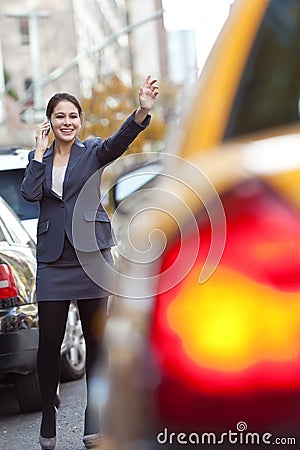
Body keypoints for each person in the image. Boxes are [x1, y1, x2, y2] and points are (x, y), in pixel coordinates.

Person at [21, 75, 159, 450]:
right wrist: (37, 151)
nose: (67, 122)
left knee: (97, 341)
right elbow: (30, 193)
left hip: (92, 257)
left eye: (73, 116)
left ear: (80, 122)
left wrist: (142, 110)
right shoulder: (41, 161)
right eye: (60, 116)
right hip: (53, 260)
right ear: (49, 122)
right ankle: (48, 413)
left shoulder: (94, 151)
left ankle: (92, 418)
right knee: (49, 342)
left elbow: (119, 142)